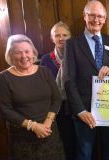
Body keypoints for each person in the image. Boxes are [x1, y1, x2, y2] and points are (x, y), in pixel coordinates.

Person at [63, 0, 109, 160]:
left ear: (105, 19)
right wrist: (80, 111)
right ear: (85, 16)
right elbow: (68, 80)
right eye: (92, 15)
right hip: (84, 111)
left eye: (100, 16)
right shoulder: (72, 44)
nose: (96, 20)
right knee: (84, 153)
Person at [0, 34, 65, 160]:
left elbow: (56, 98)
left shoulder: (44, 71)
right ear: (10, 55)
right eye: (18, 52)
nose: (24, 56)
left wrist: (48, 122)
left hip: (49, 131)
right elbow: (5, 110)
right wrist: (33, 126)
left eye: (27, 51)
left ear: (33, 53)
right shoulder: (3, 78)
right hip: (22, 137)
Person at [40, 21, 76, 160]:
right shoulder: (45, 59)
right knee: (64, 141)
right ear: (52, 38)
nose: (61, 38)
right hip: (56, 108)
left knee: (80, 141)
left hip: (76, 105)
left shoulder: (76, 57)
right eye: (57, 35)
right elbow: (43, 85)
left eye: (65, 35)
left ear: (70, 37)